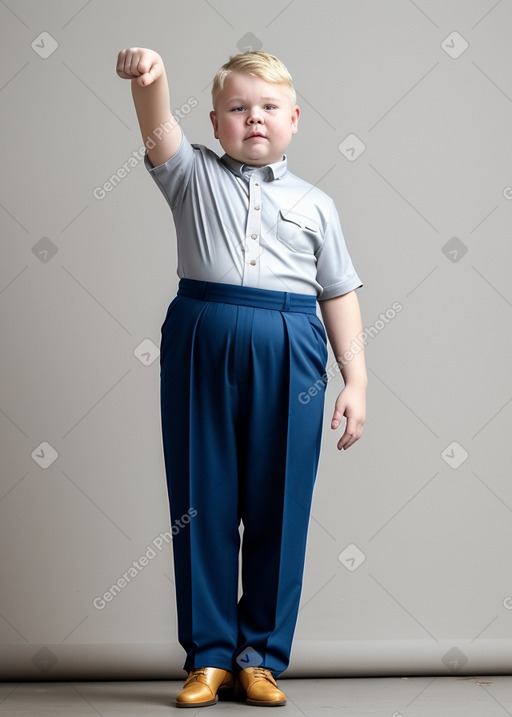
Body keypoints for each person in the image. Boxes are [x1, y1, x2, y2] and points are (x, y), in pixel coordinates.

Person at [116, 46, 367, 708]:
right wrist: (152, 77)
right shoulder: (190, 176)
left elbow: (338, 293)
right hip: (203, 335)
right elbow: (157, 125)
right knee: (203, 497)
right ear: (216, 120)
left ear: (294, 119)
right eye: (237, 108)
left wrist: (356, 379)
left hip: (292, 345)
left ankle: (260, 655)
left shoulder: (318, 205)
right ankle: (208, 655)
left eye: (268, 107)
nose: (253, 118)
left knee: (279, 502)